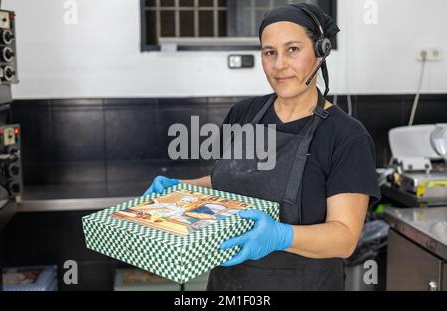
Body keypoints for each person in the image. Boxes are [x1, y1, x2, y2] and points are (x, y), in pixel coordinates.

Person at [143, 3, 381, 291]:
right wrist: (181, 188)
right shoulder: (244, 114)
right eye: (270, 52)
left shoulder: (346, 136)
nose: (279, 64)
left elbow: (344, 239)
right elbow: (231, 182)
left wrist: (281, 236)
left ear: (321, 51)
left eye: (292, 49)